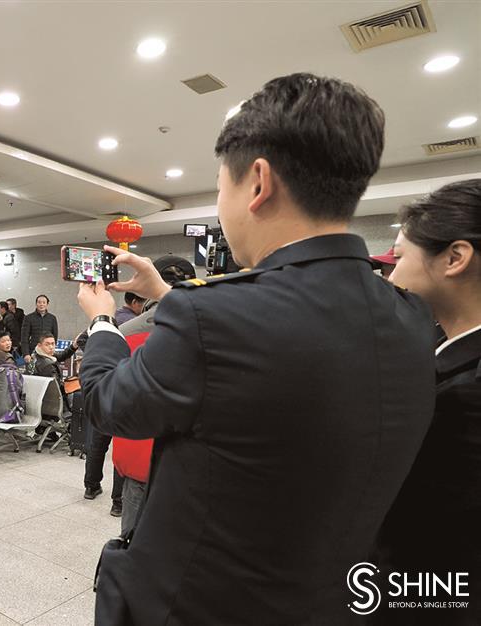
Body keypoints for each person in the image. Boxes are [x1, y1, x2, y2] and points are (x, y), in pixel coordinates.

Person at [77, 73, 436, 624]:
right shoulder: (410, 317)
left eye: (221, 185)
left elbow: (109, 405)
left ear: (258, 182)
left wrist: (102, 323)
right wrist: (168, 296)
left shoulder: (210, 316)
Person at [374, 179, 481, 625]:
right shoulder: (442, 346)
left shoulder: (468, 396)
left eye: (399, 258)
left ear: (454, 258)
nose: (391, 277)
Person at [112, 256, 199, 533]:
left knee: (132, 536)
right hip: (191, 461)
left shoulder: (122, 334)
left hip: (136, 452)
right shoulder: (210, 328)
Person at [21, 295, 58, 361]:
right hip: (33, 352)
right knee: (32, 371)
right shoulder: (28, 318)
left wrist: (52, 349)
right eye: (39, 302)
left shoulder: (52, 318)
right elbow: (24, 337)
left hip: (47, 353)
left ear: (47, 304)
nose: (41, 304)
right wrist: (26, 354)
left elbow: (55, 336)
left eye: (44, 302)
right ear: (36, 304)